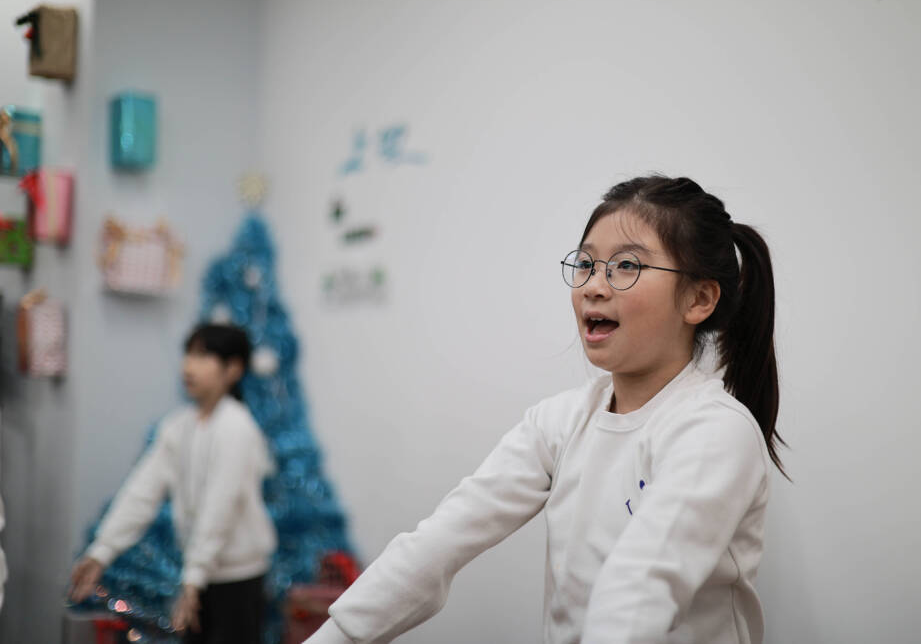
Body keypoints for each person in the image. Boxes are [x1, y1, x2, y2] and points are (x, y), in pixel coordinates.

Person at [306, 175, 787, 644]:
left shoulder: (716, 431)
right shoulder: (558, 422)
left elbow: (639, 588)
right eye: (586, 264)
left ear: (699, 299)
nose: (594, 286)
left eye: (626, 266)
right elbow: (438, 544)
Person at [68, 323, 277, 643]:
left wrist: (194, 578)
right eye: (188, 354)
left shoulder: (238, 428)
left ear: (233, 369)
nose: (188, 366)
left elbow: (219, 508)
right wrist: (102, 551)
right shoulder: (178, 426)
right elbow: (141, 493)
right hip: (197, 577)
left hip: (237, 582)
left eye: (203, 356)